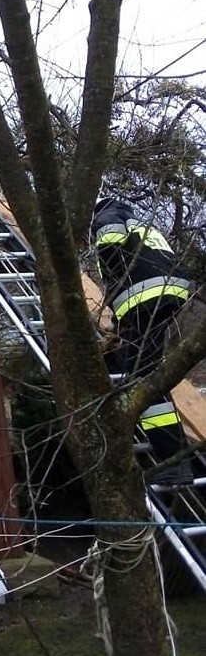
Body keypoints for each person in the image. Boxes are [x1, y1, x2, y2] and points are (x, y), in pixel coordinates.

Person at [91, 197, 193, 484]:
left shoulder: (108, 216)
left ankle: (174, 462)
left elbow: (111, 246)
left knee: (143, 380)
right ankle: (176, 459)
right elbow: (143, 264)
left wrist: (112, 278)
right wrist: (120, 323)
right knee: (142, 365)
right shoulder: (140, 223)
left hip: (145, 296)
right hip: (169, 292)